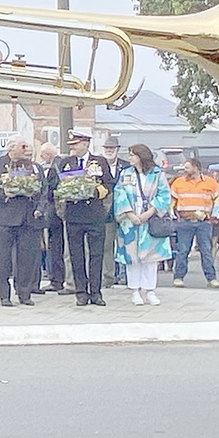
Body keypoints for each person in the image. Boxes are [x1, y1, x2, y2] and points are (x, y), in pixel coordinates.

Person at [56, 130, 113, 306]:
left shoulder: (99, 162)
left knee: (96, 254)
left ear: (85, 144)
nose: (72, 148)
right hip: (74, 214)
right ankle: (80, 292)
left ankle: (95, 292)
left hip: (94, 213)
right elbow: (56, 185)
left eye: (75, 144)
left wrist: (95, 192)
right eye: (71, 145)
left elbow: (109, 183)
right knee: (76, 255)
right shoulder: (66, 163)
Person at [0, 136, 45, 306]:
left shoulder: (34, 167)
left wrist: (39, 209)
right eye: (23, 146)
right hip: (5, 220)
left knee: (26, 259)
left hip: (29, 219)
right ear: (12, 148)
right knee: (3, 259)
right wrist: (6, 194)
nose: (27, 150)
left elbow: (43, 189)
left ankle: (24, 293)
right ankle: (4, 294)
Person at [112, 144, 172, 305]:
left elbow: (164, 195)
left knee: (150, 258)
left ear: (141, 156)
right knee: (132, 258)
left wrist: (148, 213)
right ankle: (134, 290)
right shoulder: (126, 174)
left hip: (150, 220)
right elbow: (119, 195)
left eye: (132, 155)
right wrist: (130, 214)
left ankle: (150, 290)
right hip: (130, 222)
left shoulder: (157, 174)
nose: (130, 157)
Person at [169, 159, 219, 288]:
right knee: (183, 251)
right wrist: (173, 216)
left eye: (187, 167)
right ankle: (178, 277)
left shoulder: (211, 183)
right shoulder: (178, 182)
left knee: (206, 251)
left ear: (196, 168)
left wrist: (214, 216)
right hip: (184, 222)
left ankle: (211, 278)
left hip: (204, 223)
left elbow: (218, 200)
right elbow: (171, 202)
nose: (184, 170)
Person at [38, 141, 73, 295]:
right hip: (60, 212)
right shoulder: (61, 164)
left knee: (55, 246)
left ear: (48, 154)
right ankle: (60, 279)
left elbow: (50, 189)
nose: (41, 158)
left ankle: (56, 280)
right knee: (58, 246)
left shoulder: (56, 166)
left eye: (42, 155)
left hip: (55, 212)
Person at [102, 135, 129, 288]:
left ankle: (126, 276)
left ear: (118, 149)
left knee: (126, 244)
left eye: (112, 148)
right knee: (107, 246)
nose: (109, 150)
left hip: (125, 212)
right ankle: (109, 277)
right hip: (106, 214)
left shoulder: (126, 167)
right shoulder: (97, 165)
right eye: (107, 148)